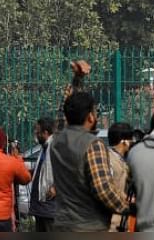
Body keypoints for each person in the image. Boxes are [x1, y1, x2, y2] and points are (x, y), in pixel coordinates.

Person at [48, 91, 130, 231]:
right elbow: (103, 190)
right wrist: (131, 208)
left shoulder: (57, 142)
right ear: (90, 117)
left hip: (62, 224)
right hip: (88, 227)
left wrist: (77, 79)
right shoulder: (93, 145)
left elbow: (64, 118)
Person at [27, 118, 58, 232]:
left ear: (45, 133)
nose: (36, 135)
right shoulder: (45, 147)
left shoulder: (55, 146)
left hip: (50, 207)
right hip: (42, 206)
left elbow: (68, 170)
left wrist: (56, 187)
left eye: (37, 132)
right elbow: (43, 170)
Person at [105, 122, 134, 232]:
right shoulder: (109, 159)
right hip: (112, 220)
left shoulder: (121, 159)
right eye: (131, 139)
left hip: (120, 218)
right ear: (124, 141)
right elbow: (109, 188)